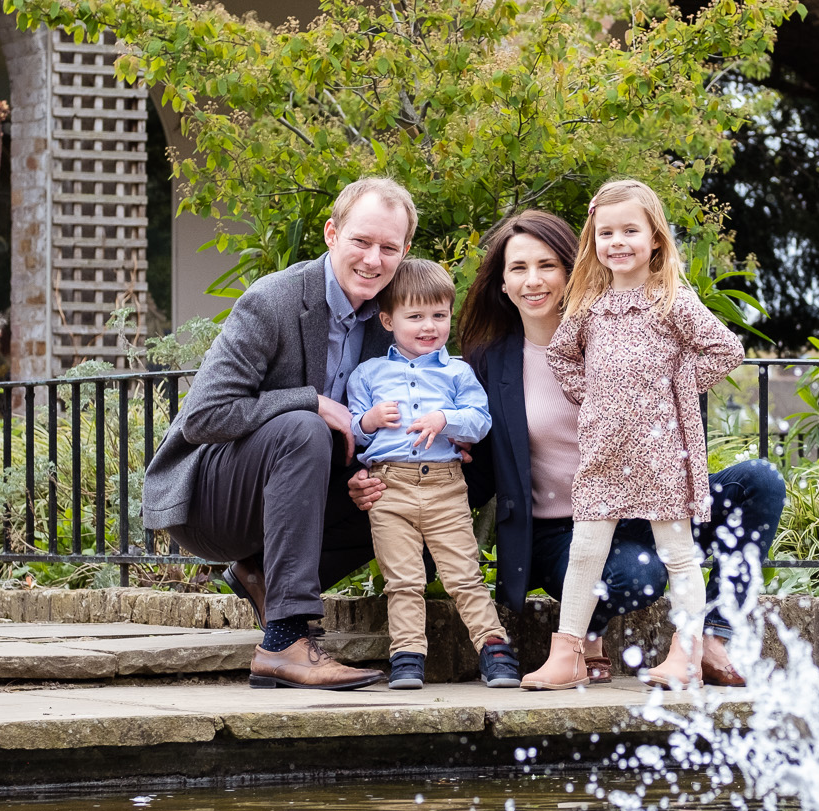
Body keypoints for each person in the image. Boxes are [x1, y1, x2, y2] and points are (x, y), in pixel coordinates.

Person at [460, 209, 786, 686]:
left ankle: (710, 635)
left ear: (573, 271)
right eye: (518, 268)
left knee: (760, 481)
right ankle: (579, 641)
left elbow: (681, 423)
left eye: (547, 265)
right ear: (503, 284)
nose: (533, 280)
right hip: (563, 529)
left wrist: (668, 382)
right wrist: (408, 487)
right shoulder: (490, 363)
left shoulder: (648, 326)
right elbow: (484, 468)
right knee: (638, 574)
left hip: (648, 500)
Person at [141, 177, 416, 690]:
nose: (373, 259)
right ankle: (284, 642)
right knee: (303, 427)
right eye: (361, 241)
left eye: (388, 247)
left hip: (300, 492)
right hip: (211, 499)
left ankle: (261, 573)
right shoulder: (275, 300)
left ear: (404, 252)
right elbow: (204, 417)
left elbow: (380, 421)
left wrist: (363, 474)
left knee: (410, 490)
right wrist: (311, 401)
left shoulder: (390, 320)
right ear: (332, 234)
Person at [348, 259, 521, 689]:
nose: (429, 326)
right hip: (389, 487)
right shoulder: (368, 374)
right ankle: (407, 655)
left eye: (439, 315)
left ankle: (494, 648)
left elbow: (480, 421)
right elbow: (352, 435)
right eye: (416, 316)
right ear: (388, 320)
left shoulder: (458, 372)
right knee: (403, 578)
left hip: (445, 485)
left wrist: (445, 419)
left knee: (464, 573)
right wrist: (367, 421)